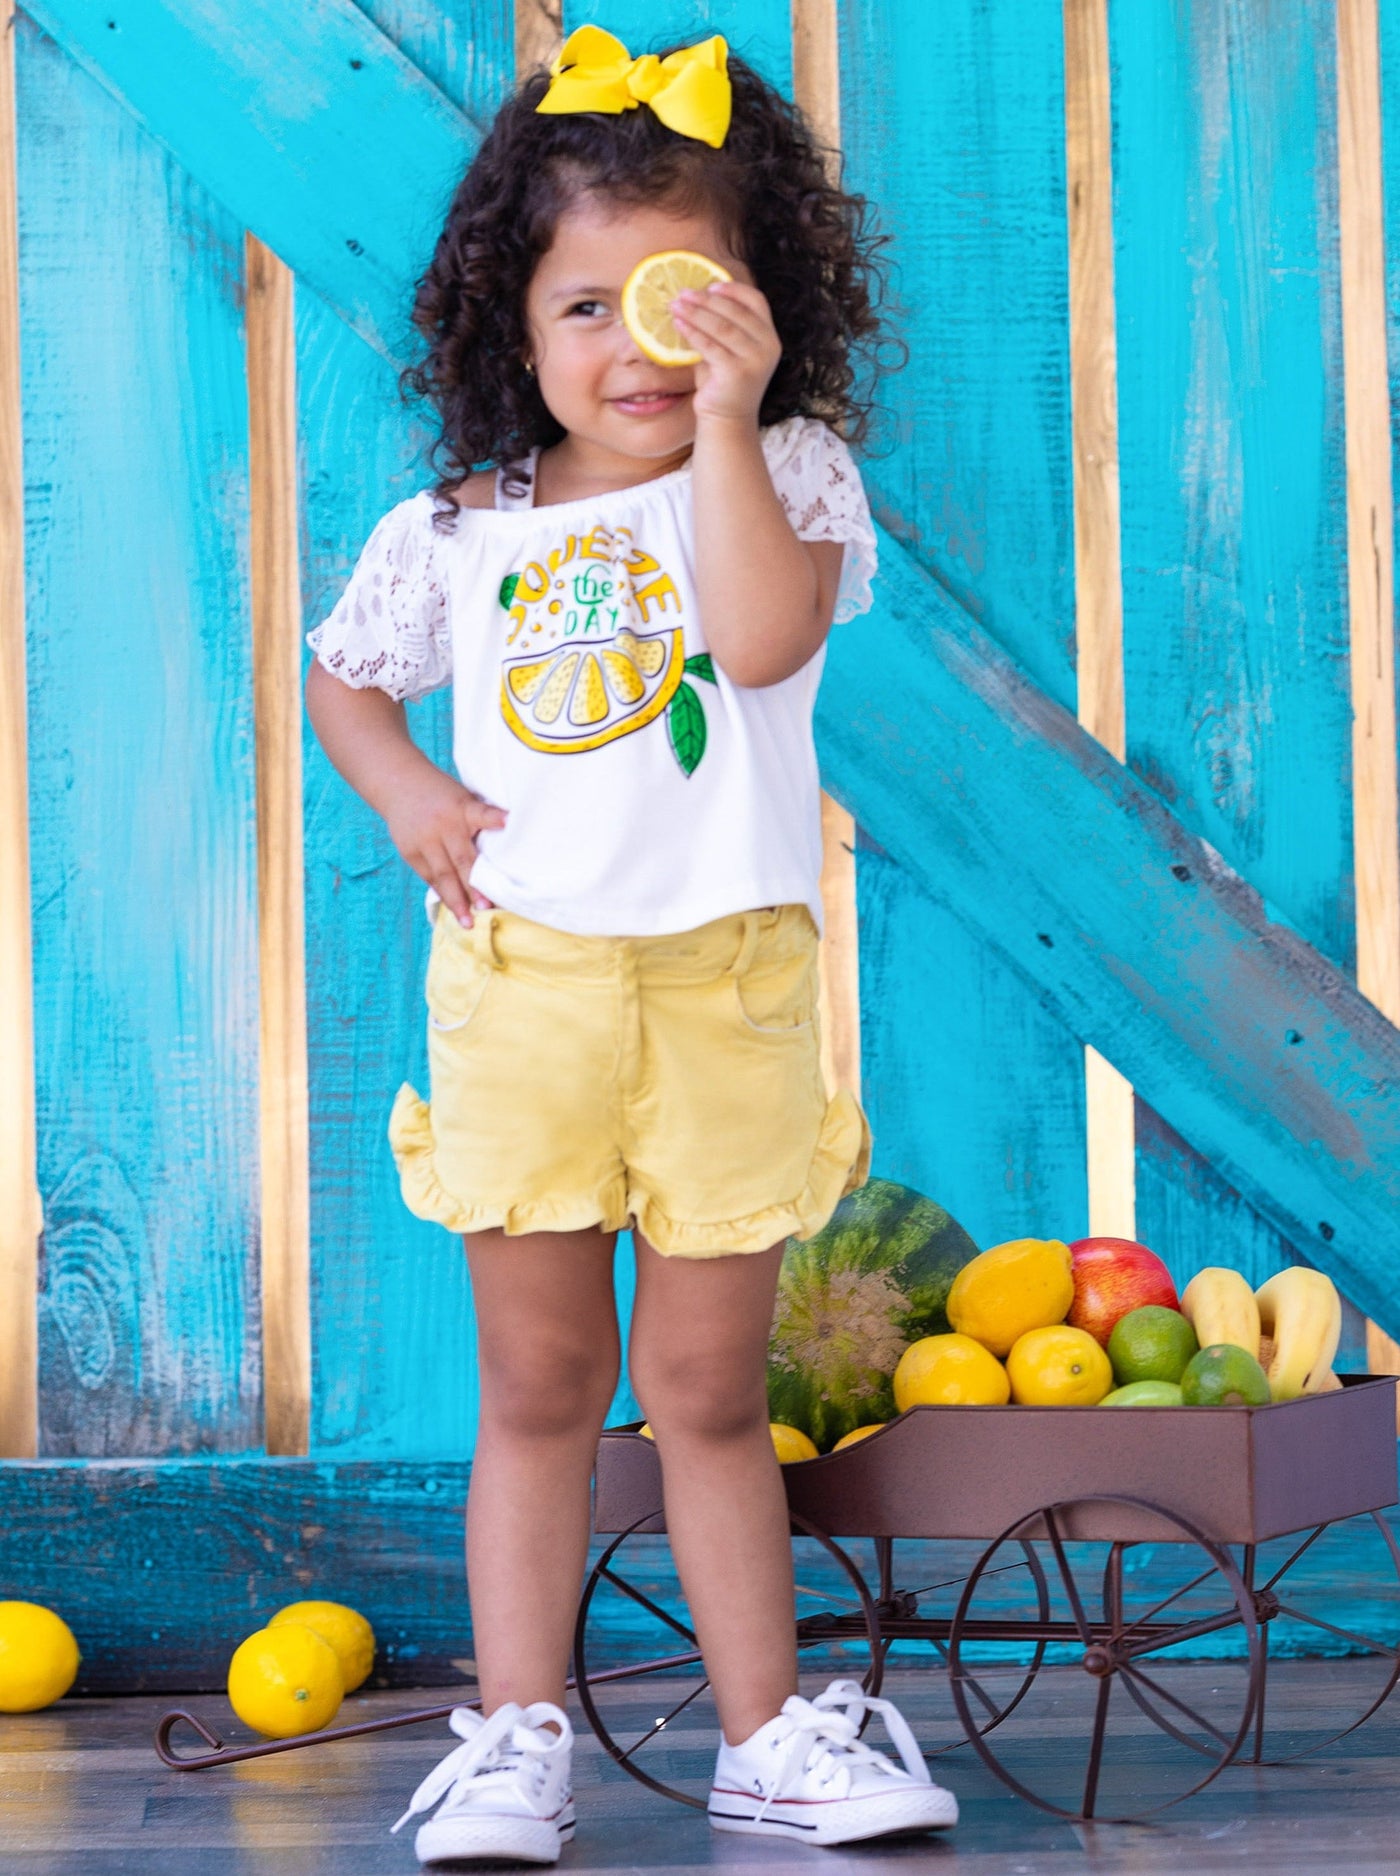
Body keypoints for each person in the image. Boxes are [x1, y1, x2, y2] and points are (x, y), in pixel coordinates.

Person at [304, 23, 955, 1867]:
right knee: (538, 1388)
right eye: (584, 308)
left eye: (684, 300)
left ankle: (767, 1740)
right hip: (528, 992)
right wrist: (411, 795)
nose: (637, 347)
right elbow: (345, 681)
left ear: (760, 303)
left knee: (707, 1393)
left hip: (727, 990)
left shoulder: (789, 477)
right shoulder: (461, 529)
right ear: (510, 331)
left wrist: (734, 424)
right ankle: (516, 1738)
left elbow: (756, 645)